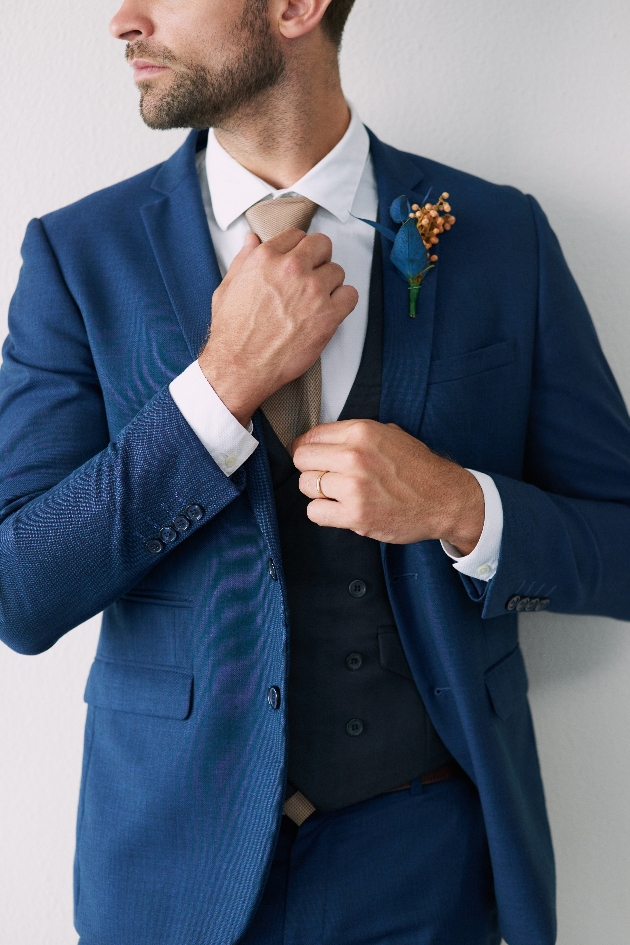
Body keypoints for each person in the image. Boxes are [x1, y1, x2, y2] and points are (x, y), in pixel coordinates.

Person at [1, 0, 629, 942]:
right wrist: (218, 389)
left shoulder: (503, 237)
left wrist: (465, 507)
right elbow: (19, 587)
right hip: (172, 878)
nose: (123, 20)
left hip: (427, 869)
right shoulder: (78, 254)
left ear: (295, 7)